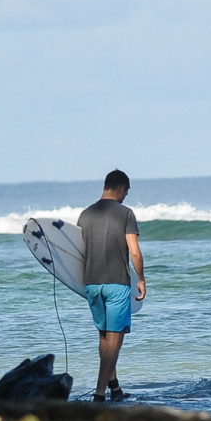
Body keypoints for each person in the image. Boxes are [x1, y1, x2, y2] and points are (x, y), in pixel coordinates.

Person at [78, 169, 146, 402]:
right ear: (121, 189)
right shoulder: (125, 214)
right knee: (115, 341)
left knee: (104, 337)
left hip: (91, 284)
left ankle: (114, 388)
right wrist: (142, 279)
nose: (126, 196)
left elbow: (78, 252)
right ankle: (99, 394)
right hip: (117, 283)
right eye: (126, 192)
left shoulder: (85, 215)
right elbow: (134, 252)